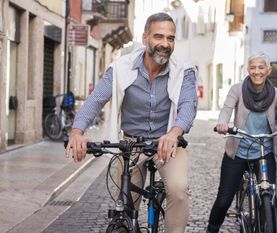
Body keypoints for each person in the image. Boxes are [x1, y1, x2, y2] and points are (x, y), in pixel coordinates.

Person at [65, 12, 198, 233]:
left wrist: (174, 133)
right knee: (125, 205)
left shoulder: (184, 71)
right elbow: (96, 99)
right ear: (145, 37)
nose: (165, 44)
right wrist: (77, 132)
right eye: (158, 37)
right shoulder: (121, 68)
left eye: (170, 38)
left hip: (167, 143)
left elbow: (187, 107)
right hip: (130, 145)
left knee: (178, 189)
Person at [206, 52, 277, 233]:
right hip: (237, 153)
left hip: (264, 153)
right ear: (248, 70)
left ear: (268, 70)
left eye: (261, 67)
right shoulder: (237, 90)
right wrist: (222, 123)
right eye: (253, 67)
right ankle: (211, 229)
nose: (257, 71)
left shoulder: (276, 94)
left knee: (270, 195)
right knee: (223, 200)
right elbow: (227, 109)